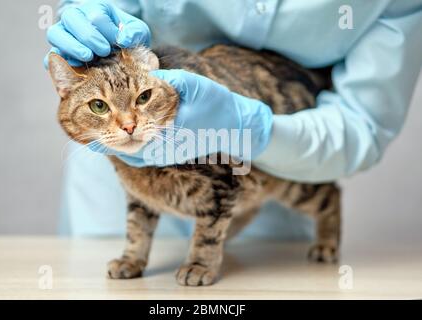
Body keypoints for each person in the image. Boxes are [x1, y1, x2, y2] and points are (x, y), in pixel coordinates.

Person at [46, 0, 422, 237]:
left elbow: (364, 124)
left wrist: (251, 128)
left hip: (274, 175)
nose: (125, 122)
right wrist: (91, 12)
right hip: (109, 201)